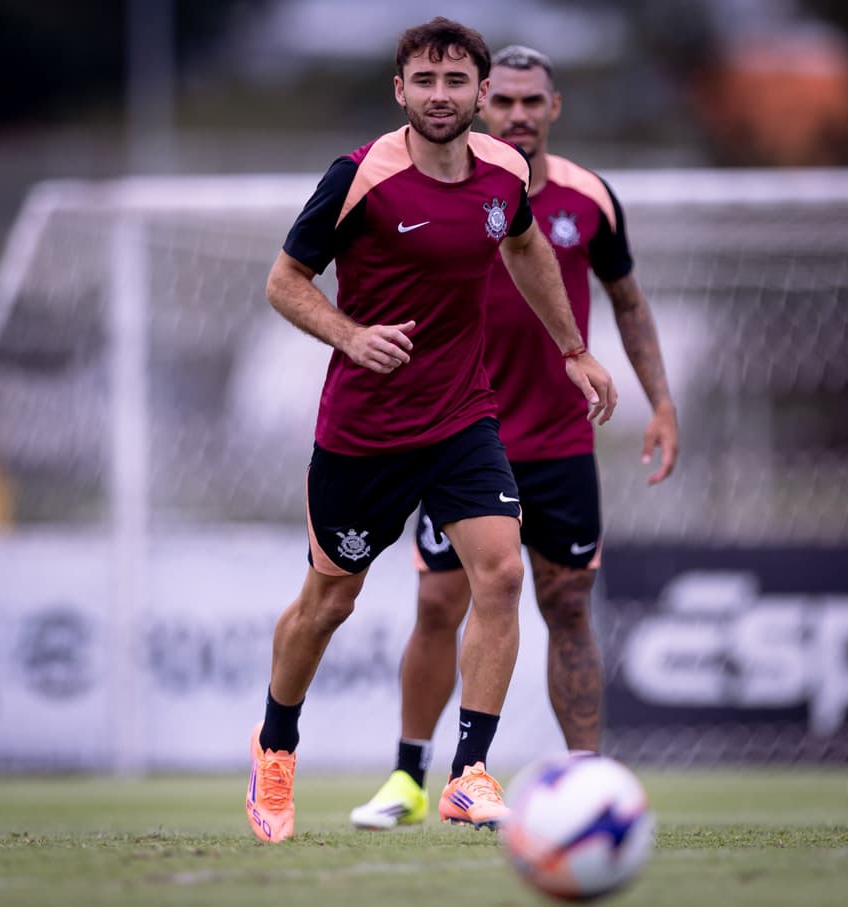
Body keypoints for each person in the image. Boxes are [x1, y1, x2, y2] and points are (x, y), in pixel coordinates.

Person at [247, 20, 618, 843]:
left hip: (462, 418)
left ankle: (468, 773)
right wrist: (348, 334)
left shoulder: (503, 170)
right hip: (364, 432)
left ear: (480, 94)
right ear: (400, 91)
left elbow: (525, 248)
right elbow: (284, 280)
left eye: (456, 82)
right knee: (328, 600)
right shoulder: (360, 177)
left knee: (500, 573)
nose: (440, 96)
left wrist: (574, 351)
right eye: (424, 80)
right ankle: (275, 747)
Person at [350, 45, 678, 830]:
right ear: (484, 104)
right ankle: (408, 776)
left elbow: (627, 302)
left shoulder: (588, 199)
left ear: (553, 109)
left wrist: (660, 403)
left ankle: (588, 784)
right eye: (508, 103)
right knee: (439, 599)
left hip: (561, 439)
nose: (520, 116)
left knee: (568, 603)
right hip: (459, 432)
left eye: (536, 102)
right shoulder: (438, 188)